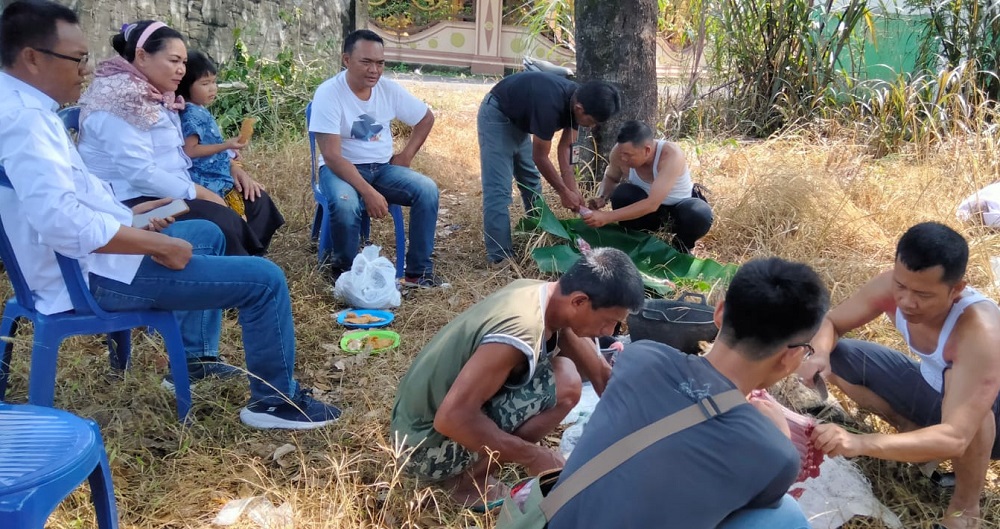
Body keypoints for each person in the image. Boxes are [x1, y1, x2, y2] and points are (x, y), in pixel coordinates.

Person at [0, 0, 340, 429]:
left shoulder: (19, 107)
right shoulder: (27, 121)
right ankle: (275, 401)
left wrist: (131, 212)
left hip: (81, 260)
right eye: (78, 58)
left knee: (205, 231)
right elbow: (62, 222)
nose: (86, 69)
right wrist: (155, 242)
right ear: (32, 57)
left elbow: (67, 196)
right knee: (265, 280)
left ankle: (196, 359)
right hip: (89, 275)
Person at [548, 257, 829, 529]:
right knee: (785, 517)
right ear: (791, 356)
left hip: (552, 520)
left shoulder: (639, 356)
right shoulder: (777, 454)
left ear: (719, 313)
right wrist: (779, 436)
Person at [391, 247, 646, 509]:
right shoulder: (520, 332)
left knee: (566, 374)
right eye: (608, 321)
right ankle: (467, 483)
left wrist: (641, 435)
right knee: (566, 382)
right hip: (421, 448)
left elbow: (599, 372)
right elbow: (451, 418)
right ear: (579, 302)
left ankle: (477, 469)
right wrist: (534, 456)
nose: (609, 331)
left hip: (419, 424)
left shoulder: (545, 295)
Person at [797, 222, 1000, 529]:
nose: (906, 301)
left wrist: (860, 443)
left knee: (976, 415)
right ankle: (912, 432)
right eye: (901, 286)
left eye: (922, 294)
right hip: (933, 387)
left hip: (988, 421)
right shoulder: (890, 286)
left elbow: (956, 437)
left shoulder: (980, 332)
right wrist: (820, 353)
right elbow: (831, 324)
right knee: (840, 356)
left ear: (957, 289)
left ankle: (965, 509)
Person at [76, 20, 267, 256]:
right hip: (134, 200)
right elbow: (141, 173)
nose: (182, 70)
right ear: (142, 56)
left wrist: (231, 166)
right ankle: (239, 275)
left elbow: (182, 151)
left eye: (184, 62)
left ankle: (250, 259)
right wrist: (200, 193)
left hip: (172, 185)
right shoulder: (121, 100)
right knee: (221, 218)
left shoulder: (152, 91)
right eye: (174, 61)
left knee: (255, 200)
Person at [309, 29, 443, 287]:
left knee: (427, 190)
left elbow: (426, 118)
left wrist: (406, 155)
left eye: (380, 63)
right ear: (346, 60)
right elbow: (332, 156)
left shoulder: (388, 90)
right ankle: (346, 277)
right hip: (340, 171)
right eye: (366, 62)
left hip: (382, 169)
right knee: (346, 202)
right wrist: (367, 192)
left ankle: (418, 274)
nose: (374, 70)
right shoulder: (329, 93)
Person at [477, 70, 621, 267]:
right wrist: (562, 191)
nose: (593, 126)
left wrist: (573, 191)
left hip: (523, 120)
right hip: (499, 115)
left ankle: (535, 235)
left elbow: (567, 149)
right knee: (499, 191)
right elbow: (540, 156)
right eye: (593, 121)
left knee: (531, 182)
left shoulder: (577, 99)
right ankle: (500, 257)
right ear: (580, 108)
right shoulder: (549, 106)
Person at [177, 50, 285, 249]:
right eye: (205, 83)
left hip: (219, 172)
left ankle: (248, 250)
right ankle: (244, 251)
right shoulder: (191, 115)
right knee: (236, 215)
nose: (213, 89)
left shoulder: (198, 110)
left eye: (214, 82)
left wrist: (229, 157)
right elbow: (190, 151)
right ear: (186, 86)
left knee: (256, 199)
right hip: (207, 180)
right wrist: (226, 145)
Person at [583, 120, 714, 253]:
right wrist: (602, 197)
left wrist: (607, 217)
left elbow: (652, 204)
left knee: (699, 213)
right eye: (621, 153)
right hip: (646, 213)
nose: (623, 158)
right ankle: (635, 239)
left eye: (628, 155)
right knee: (623, 194)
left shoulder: (671, 155)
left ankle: (682, 247)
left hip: (677, 212)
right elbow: (611, 177)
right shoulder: (619, 152)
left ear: (647, 150)